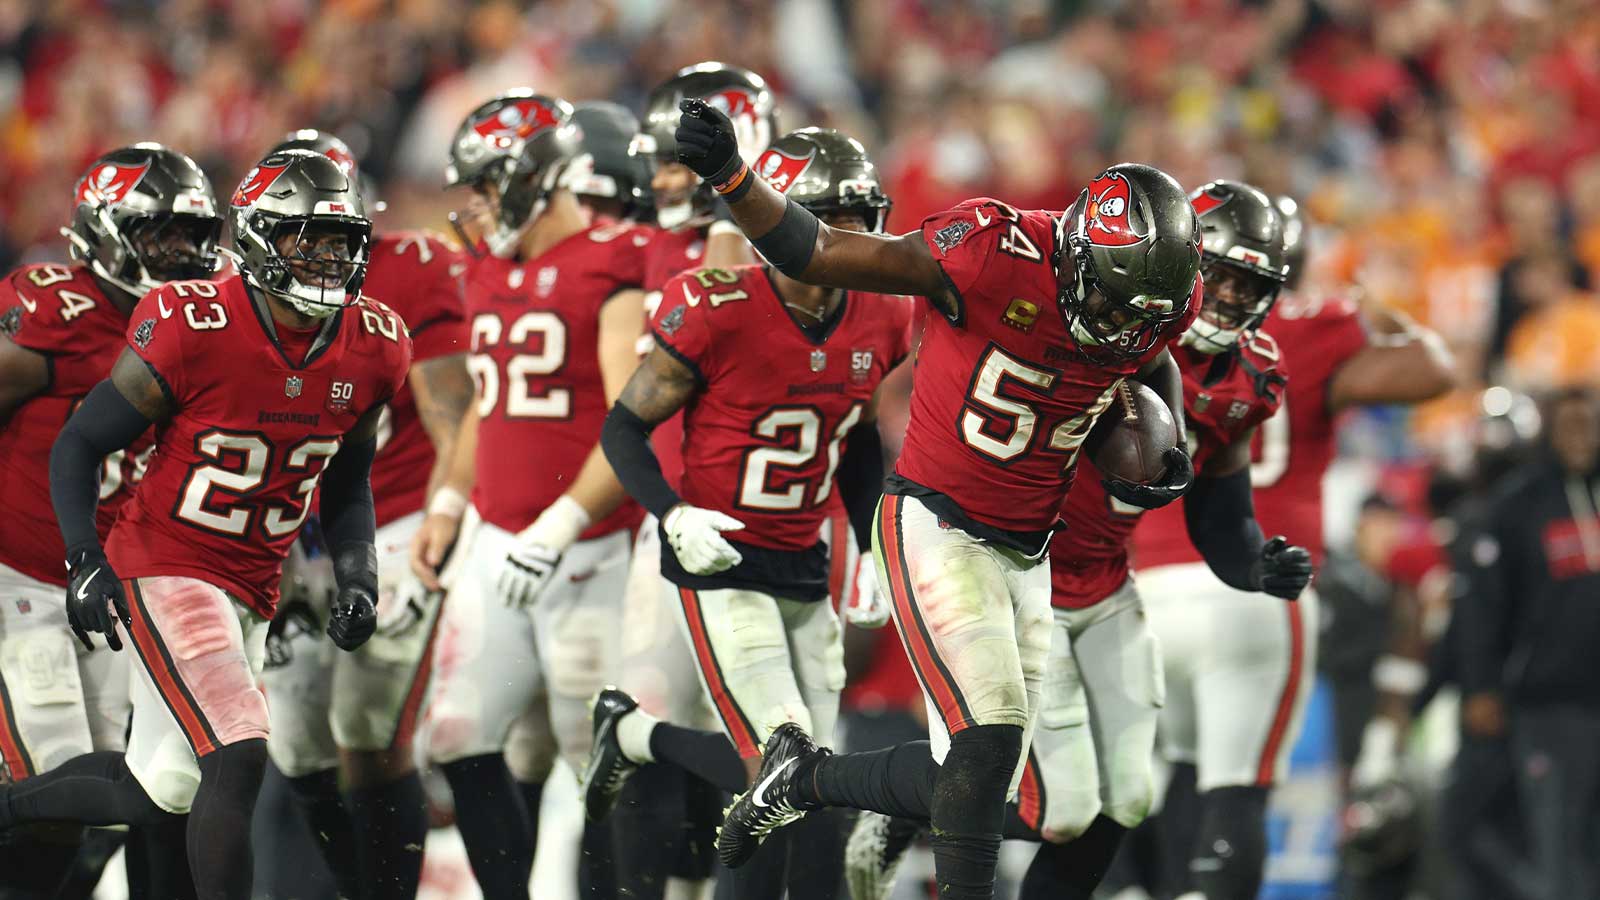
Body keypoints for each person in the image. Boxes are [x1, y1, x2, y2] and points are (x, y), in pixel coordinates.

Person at [673, 98, 1202, 900]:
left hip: (1031, 549)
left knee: (990, 777)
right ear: (1080, 259)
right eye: (1114, 304)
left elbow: (1151, 355)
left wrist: (1171, 436)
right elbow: (819, 251)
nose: (1126, 325)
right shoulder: (992, 251)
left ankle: (800, 780)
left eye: (1146, 314)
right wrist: (733, 177)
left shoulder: (1154, 298)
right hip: (938, 523)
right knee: (988, 745)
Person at [844, 180, 1314, 900]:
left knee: (1122, 803)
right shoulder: (1104, 318)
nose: (1224, 296)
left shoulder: (1249, 375)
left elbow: (1222, 510)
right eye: (1216, 273)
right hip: (1020, 570)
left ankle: (923, 795)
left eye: (1248, 284)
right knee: (1053, 807)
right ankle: (897, 797)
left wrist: (1255, 564)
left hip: (1106, 583)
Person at [0, 149, 410, 900]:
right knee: (239, 746)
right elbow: (80, 443)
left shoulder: (376, 342)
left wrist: (358, 573)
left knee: (158, 788)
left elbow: (346, 481)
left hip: (246, 579)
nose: (326, 259)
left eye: (339, 242)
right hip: (159, 561)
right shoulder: (192, 323)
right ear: (257, 238)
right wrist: (85, 554)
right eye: (305, 241)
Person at [586, 126, 908, 900]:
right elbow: (622, 428)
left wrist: (867, 545)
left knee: (807, 784)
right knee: (785, 766)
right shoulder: (715, 304)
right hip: (718, 560)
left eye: (863, 219)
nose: (853, 241)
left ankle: (634, 735)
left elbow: (860, 439)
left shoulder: (882, 314)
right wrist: (670, 514)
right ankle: (635, 733)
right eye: (836, 220)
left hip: (802, 558)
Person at [1129, 194, 1456, 900]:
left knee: (1171, 768)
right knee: (1236, 786)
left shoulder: (1151, 320)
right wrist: (1391, 319)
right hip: (1258, 580)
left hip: (1144, 582)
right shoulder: (1313, 331)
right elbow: (1433, 371)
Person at [409, 89, 646, 898]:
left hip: (590, 555)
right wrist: (447, 502)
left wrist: (559, 524)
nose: (471, 206)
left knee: (600, 765)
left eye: (483, 185)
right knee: (455, 736)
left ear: (530, 176)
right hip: (496, 542)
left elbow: (630, 422)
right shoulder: (488, 267)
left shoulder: (616, 262)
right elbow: (490, 398)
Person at [256, 130, 473, 900]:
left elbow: (456, 412)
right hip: (296, 533)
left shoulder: (410, 268)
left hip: (397, 512)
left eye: (330, 225)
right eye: (295, 226)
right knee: (296, 741)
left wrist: (444, 522)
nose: (315, 243)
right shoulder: (239, 291)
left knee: (368, 733)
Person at [0, 143, 221, 894]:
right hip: (19, 578)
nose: (181, 253)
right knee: (54, 788)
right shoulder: (55, 311)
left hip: (113, 589)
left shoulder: (204, 322)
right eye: (160, 234)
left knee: (113, 798)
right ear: (104, 231)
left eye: (194, 235)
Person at [603, 61, 773, 900]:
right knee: (650, 719)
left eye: (687, 159)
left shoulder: (781, 248)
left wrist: (736, 212)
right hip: (667, 516)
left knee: (756, 742)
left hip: (763, 525)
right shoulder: (642, 249)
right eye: (664, 159)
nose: (668, 177)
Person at [1456, 385, 1600, 900]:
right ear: (1548, 434)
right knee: (1557, 836)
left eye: (1588, 424)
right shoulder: (1517, 506)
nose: (1579, 436)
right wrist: (1481, 687)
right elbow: (1481, 608)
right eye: (1568, 426)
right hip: (1550, 704)